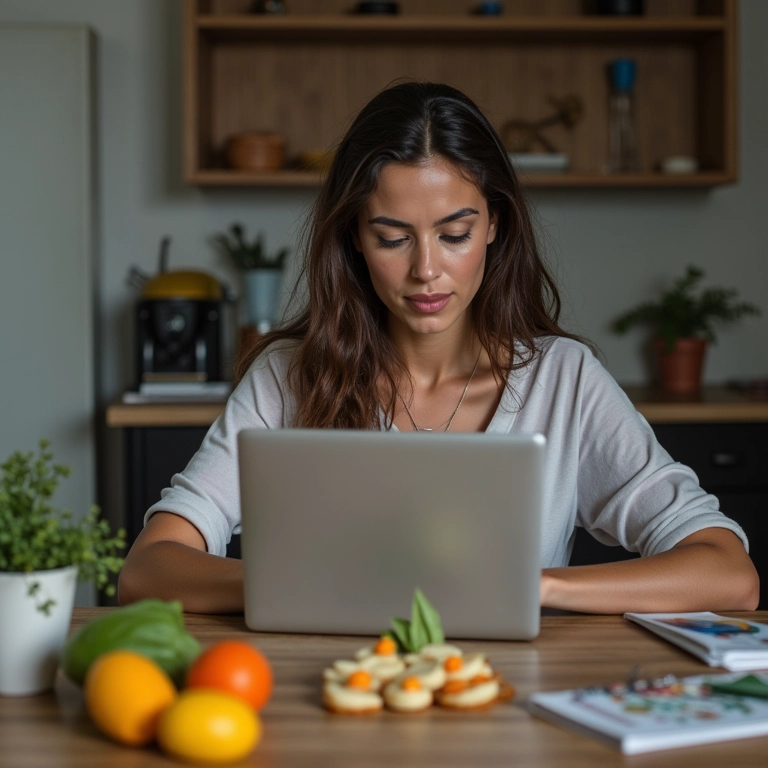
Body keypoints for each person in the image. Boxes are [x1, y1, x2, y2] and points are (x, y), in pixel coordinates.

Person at [118, 82, 759, 615]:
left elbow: (730, 576)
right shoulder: (287, 377)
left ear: (495, 227)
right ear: (354, 241)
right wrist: (303, 590)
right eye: (393, 238)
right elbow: (148, 570)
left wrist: (531, 588)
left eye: (455, 233)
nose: (427, 270)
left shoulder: (564, 381)